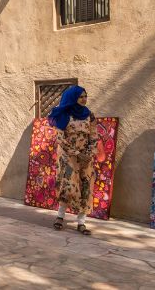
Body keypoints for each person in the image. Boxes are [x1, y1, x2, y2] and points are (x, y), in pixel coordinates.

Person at [49, 86, 106, 235]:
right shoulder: (64, 115)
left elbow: (94, 136)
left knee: (86, 186)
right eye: (81, 96)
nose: (84, 99)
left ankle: (81, 222)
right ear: (72, 98)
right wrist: (75, 153)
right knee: (68, 186)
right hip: (68, 156)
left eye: (85, 96)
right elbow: (60, 138)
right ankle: (60, 216)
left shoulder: (89, 115)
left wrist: (89, 152)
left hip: (86, 157)